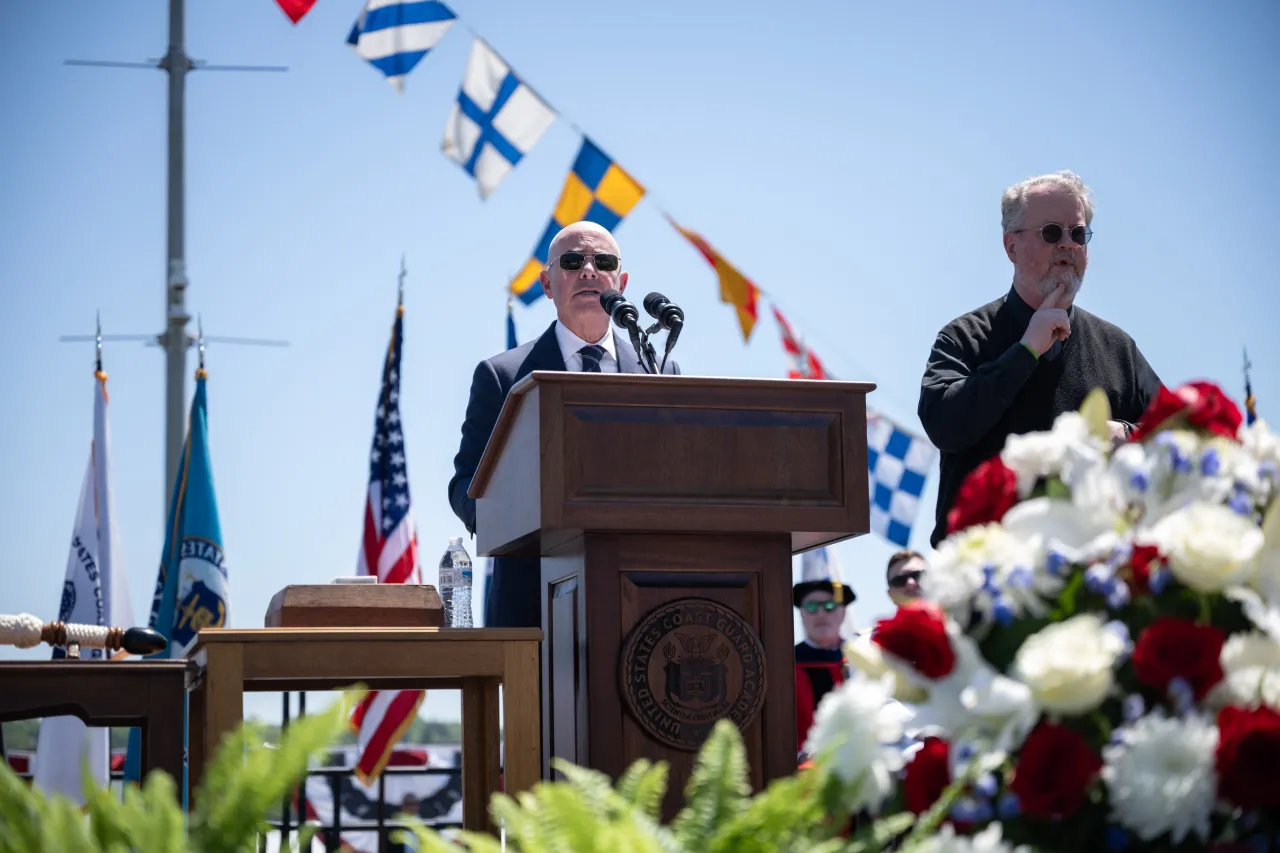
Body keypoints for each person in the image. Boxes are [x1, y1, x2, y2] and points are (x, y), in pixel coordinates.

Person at [448, 221, 681, 628]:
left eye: (602, 262)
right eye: (573, 261)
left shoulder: (659, 371)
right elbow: (466, 484)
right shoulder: (502, 376)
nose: (588, 271)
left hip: (643, 600)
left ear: (621, 282)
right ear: (547, 284)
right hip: (533, 601)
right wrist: (509, 522)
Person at [918, 170, 1162, 548]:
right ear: (1011, 246)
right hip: (989, 576)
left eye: (1077, 234)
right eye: (1051, 232)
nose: (1067, 244)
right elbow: (945, 425)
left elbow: (1179, 436)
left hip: (1091, 576)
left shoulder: (1118, 348)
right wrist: (1025, 351)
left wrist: (1129, 435)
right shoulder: (965, 336)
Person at [793, 548, 853, 753]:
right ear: (801, 614)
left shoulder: (860, 660)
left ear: (843, 613)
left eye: (829, 605)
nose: (820, 613)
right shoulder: (784, 665)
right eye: (811, 606)